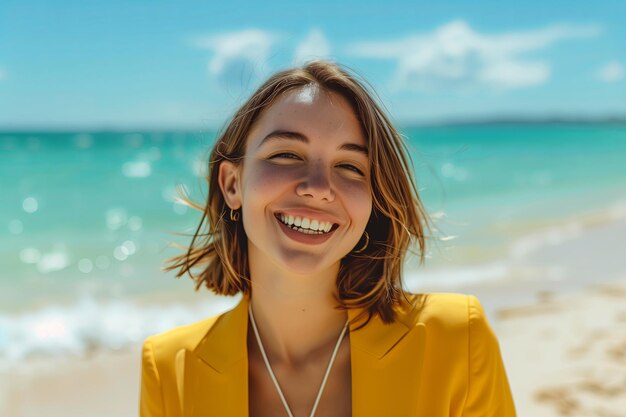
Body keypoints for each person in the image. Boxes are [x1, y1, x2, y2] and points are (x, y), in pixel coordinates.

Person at [139, 60, 516, 417]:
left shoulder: (455, 341)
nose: (318, 188)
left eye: (350, 166)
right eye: (287, 154)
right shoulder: (172, 368)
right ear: (233, 184)